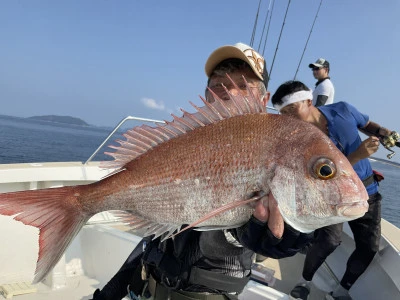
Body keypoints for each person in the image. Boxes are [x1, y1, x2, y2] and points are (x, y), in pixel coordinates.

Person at [90, 44, 313, 300]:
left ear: (263, 100)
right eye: (219, 85)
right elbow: (153, 236)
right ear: (207, 95)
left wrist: (290, 233)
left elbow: (242, 231)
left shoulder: (275, 150)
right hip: (149, 284)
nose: (229, 91)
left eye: (243, 84)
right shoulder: (183, 141)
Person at [271, 80, 393, 300]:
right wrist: (358, 155)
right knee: (329, 240)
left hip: (368, 190)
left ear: (308, 101)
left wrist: (385, 133)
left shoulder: (343, 110)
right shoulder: (297, 139)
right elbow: (316, 177)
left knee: (369, 247)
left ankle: (342, 290)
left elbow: (366, 124)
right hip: (330, 197)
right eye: (284, 113)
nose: (289, 118)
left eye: (292, 109)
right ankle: (304, 282)